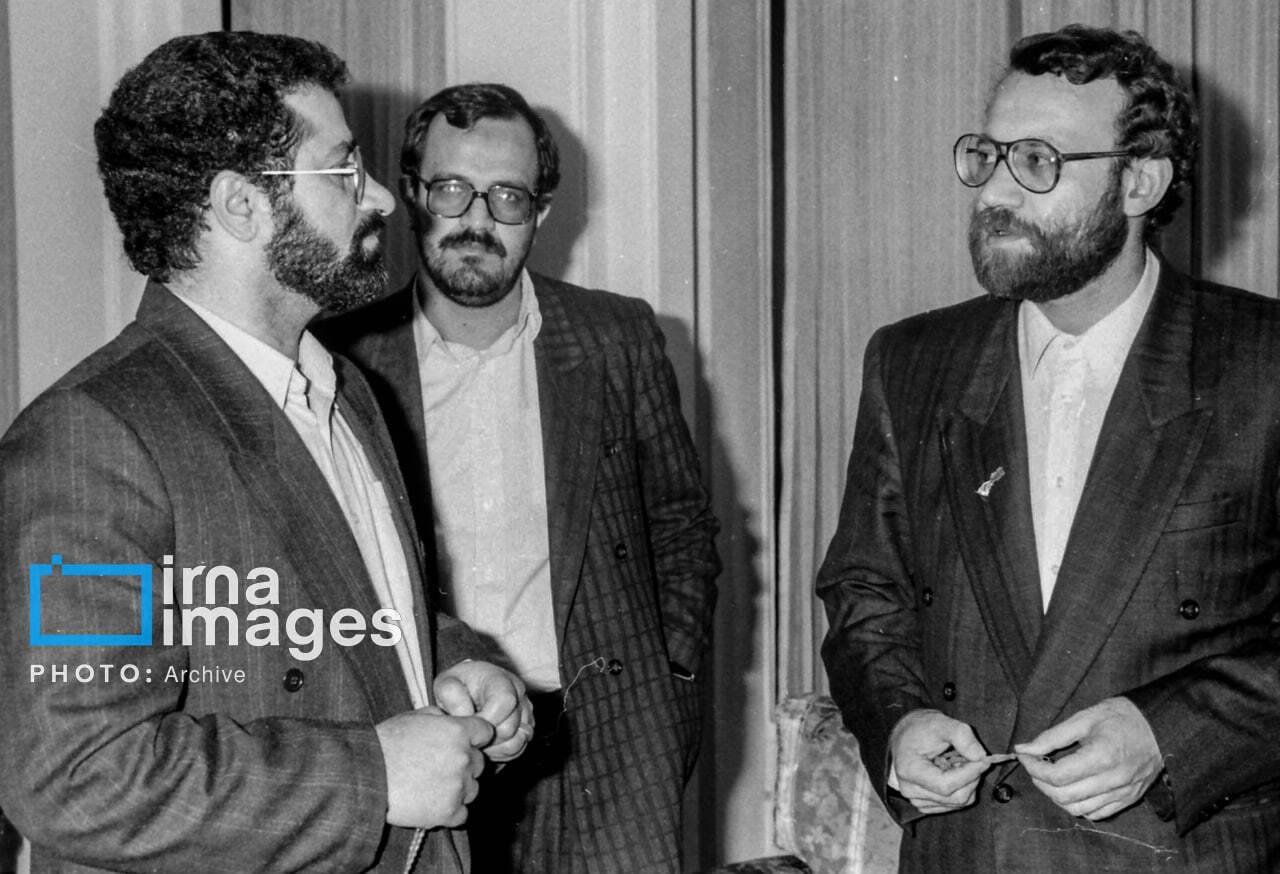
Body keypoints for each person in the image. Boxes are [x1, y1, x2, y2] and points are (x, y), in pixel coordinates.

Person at [0, 32, 533, 873]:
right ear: (241, 205)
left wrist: (461, 663)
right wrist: (372, 777)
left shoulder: (345, 393)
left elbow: (336, 610)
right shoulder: (91, 438)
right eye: (343, 168)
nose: (381, 199)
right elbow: (78, 774)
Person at [818, 23, 1280, 873]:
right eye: (987, 156)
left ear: (1140, 181)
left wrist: (1170, 734)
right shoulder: (913, 361)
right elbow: (864, 592)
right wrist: (900, 723)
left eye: (1038, 160)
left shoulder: (1262, 363)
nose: (996, 191)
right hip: (969, 851)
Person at [320, 82, 721, 873]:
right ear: (411, 195)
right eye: (451, 189)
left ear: (540, 211)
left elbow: (682, 523)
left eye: (507, 196)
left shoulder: (616, 338)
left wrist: (671, 673)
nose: (476, 219)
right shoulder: (346, 357)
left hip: (612, 742)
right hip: (437, 737)